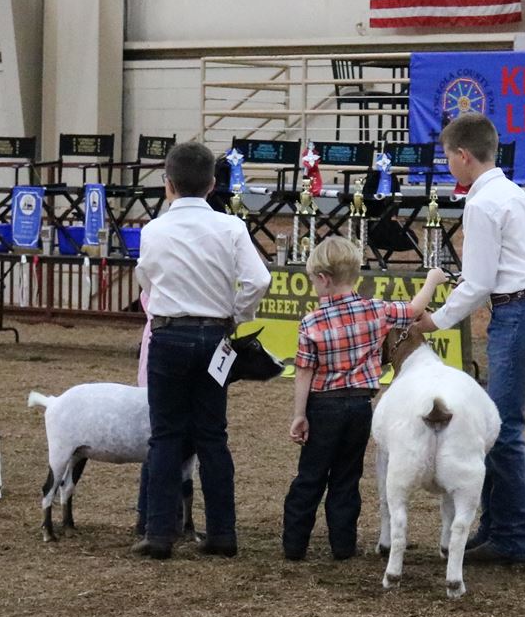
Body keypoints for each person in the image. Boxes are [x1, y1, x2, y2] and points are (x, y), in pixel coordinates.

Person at [415, 112, 525, 568]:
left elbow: (477, 284)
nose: (448, 166)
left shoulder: (481, 204)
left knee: (502, 429)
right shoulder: (515, 194)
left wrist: (434, 321)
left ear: (462, 155)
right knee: (497, 425)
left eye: (447, 158)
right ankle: (496, 527)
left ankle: (514, 537)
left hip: (516, 313)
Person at [134, 139, 271, 559]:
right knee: (213, 436)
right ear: (213, 184)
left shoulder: (153, 230)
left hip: (169, 336)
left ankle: (159, 532)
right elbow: (259, 280)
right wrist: (235, 314)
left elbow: (146, 281)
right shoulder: (230, 227)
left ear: (167, 184)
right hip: (215, 338)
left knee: (165, 436)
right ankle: (223, 533)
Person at [283, 238, 446, 562]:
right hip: (360, 407)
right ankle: (343, 546)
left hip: (323, 404)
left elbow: (304, 372)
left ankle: (294, 545)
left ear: (324, 279)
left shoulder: (312, 322)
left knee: (310, 477)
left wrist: (299, 414)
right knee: (347, 476)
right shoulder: (376, 311)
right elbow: (414, 310)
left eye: (314, 279)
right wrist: (432, 279)